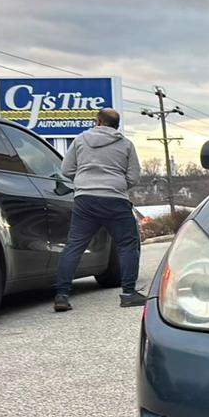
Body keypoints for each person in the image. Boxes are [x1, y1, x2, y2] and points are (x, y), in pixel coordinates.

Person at [53, 108, 146, 311]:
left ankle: (62, 295)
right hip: (115, 200)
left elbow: (66, 170)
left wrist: (84, 182)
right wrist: (117, 185)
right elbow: (133, 177)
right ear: (117, 125)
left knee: (74, 246)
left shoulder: (80, 140)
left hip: (85, 200)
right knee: (128, 245)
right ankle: (129, 294)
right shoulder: (126, 144)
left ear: (98, 121)